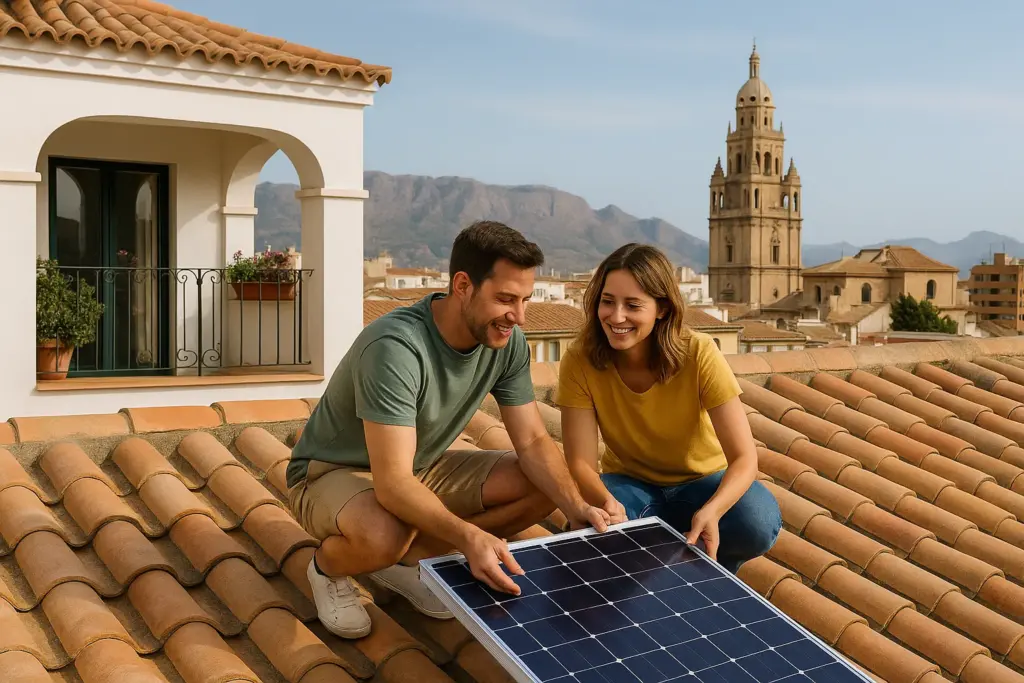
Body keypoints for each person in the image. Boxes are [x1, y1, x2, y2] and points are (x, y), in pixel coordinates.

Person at [287, 220, 618, 639]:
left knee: (547, 482)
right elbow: (391, 485)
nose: (517, 315)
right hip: (329, 473)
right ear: (463, 285)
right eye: (505, 299)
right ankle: (328, 569)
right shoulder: (396, 347)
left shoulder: (507, 340)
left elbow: (534, 440)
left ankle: (408, 564)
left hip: (418, 466)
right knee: (386, 531)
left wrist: (576, 508)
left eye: (525, 300)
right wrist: (468, 537)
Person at [555, 243, 781, 574]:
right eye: (607, 301)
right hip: (629, 484)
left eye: (632, 305)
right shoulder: (580, 359)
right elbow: (580, 462)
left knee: (757, 522)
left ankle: (716, 571)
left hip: (702, 481)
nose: (617, 317)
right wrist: (608, 504)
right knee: (591, 534)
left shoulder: (699, 352)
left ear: (661, 308)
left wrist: (714, 511)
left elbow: (745, 458)